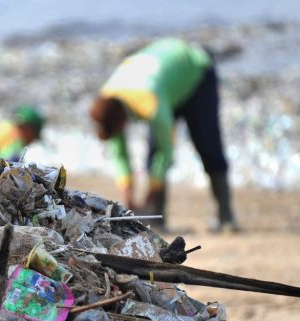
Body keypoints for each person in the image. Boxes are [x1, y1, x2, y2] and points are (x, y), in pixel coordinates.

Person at [89, 38, 237, 232]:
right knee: (152, 155)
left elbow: (166, 149)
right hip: (164, 79)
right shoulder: (107, 101)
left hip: (195, 74)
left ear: (121, 120)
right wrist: (128, 197)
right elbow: (118, 151)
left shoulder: (149, 102)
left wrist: (152, 188)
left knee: (207, 146)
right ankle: (157, 220)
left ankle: (226, 218)